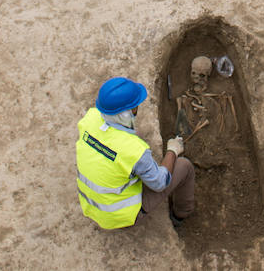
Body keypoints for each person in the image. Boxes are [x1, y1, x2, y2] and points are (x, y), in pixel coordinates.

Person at [76, 77, 195, 230]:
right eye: (134, 107)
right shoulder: (134, 151)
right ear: (126, 114)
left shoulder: (89, 119)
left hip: (90, 205)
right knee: (184, 166)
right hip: (120, 217)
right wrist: (173, 150)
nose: (137, 108)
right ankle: (180, 215)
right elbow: (160, 183)